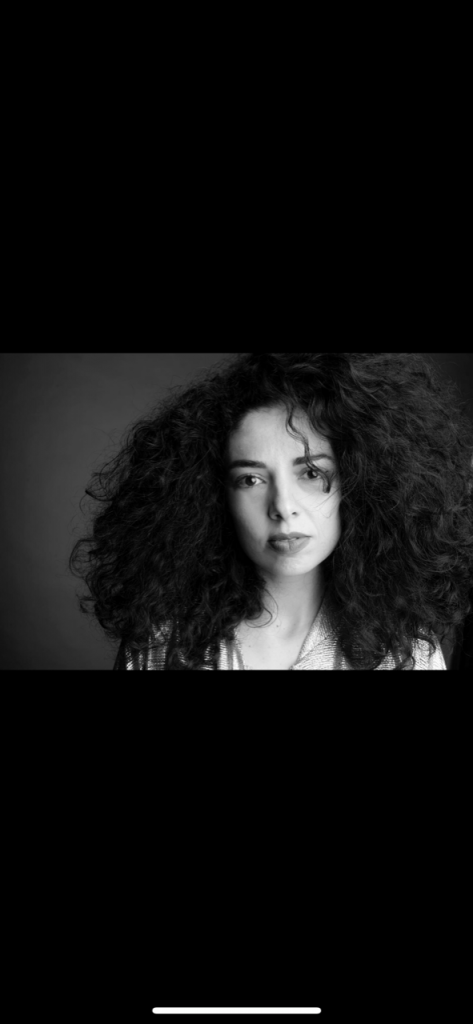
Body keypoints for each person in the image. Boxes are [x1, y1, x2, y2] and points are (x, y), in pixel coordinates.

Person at [69, 353, 473, 670]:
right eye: (251, 479)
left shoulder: (404, 650)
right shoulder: (160, 645)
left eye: (311, 473)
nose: (283, 507)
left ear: (358, 484)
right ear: (214, 497)